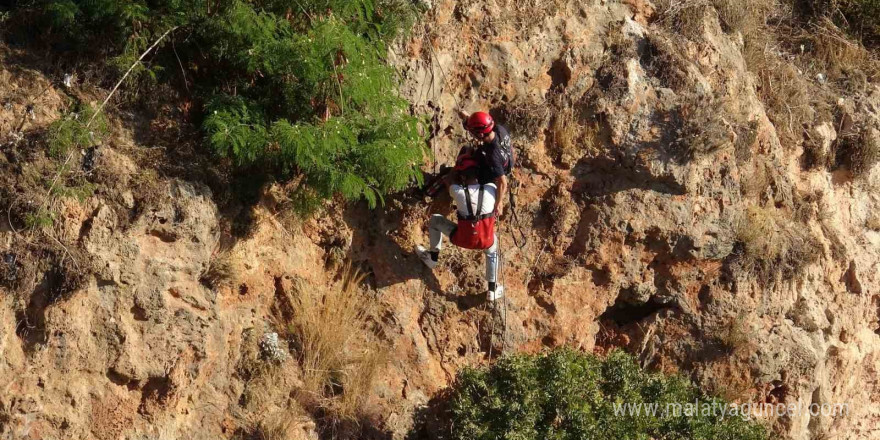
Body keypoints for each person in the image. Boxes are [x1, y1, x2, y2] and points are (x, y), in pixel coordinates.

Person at [416, 154, 504, 301]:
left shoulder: (458, 191)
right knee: (492, 248)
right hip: (485, 240)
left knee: (435, 220)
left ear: (462, 177)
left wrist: (455, 168)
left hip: (462, 239)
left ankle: (433, 257)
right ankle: (492, 289)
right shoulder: (491, 189)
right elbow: (496, 180)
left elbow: (448, 180)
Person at [458, 110, 513, 218]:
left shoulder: (492, 155)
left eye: (472, 132)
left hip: (495, 172)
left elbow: (503, 183)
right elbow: (482, 124)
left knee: (467, 155)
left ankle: (464, 184)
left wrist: (499, 202)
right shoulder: (499, 129)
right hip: (507, 160)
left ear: (480, 134)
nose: (471, 134)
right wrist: (468, 118)